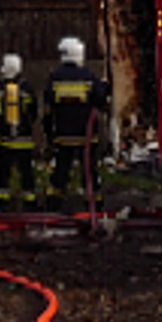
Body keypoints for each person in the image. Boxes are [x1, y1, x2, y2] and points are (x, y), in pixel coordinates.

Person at [43, 36, 110, 212]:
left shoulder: (54, 78)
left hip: (63, 134)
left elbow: (48, 106)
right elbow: (100, 101)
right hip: (85, 136)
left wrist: (49, 134)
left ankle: (53, 204)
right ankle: (93, 204)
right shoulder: (89, 77)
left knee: (60, 171)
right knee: (89, 172)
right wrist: (104, 87)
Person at [0, 53, 39, 212]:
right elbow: (34, 111)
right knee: (26, 171)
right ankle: (29, 201)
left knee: (4, 171)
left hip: (4, 139)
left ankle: (3, 202)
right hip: (24, 139)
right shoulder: (27, 88)